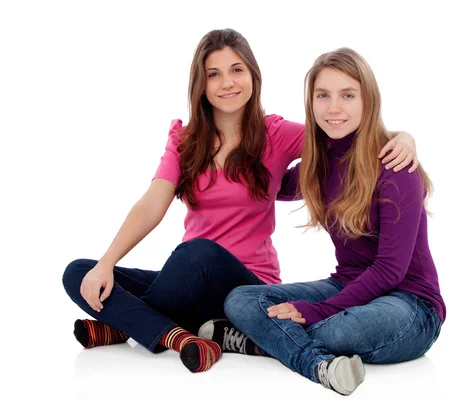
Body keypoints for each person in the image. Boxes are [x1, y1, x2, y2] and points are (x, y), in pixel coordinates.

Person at [61, 29, 419, 374]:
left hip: (248, 282)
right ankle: (177, 335)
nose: (227, 83)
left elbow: (343, 139)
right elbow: (152, 203)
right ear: (200, 84)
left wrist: (404, 138)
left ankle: (126, 327)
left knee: (198, 253)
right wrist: (107, 262)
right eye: (213, 74)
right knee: (79, 272)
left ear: (253, 76)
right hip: (188, 279)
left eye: (236, 70)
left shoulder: (277, 134)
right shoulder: (185, 142)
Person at [200, 47, 445, 395]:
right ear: (311, 102)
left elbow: (391, 269)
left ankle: (258, 343)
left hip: (410, 304)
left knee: (342, 329)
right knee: (240, 299)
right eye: (323, 95)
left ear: (368, 100)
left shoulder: (395, 165)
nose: (333, 108)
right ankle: (301, 353)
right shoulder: (322, 161)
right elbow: (271, 184)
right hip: (347, 286)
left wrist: (316, 311)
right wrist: (231, 134)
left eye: (347, 95)